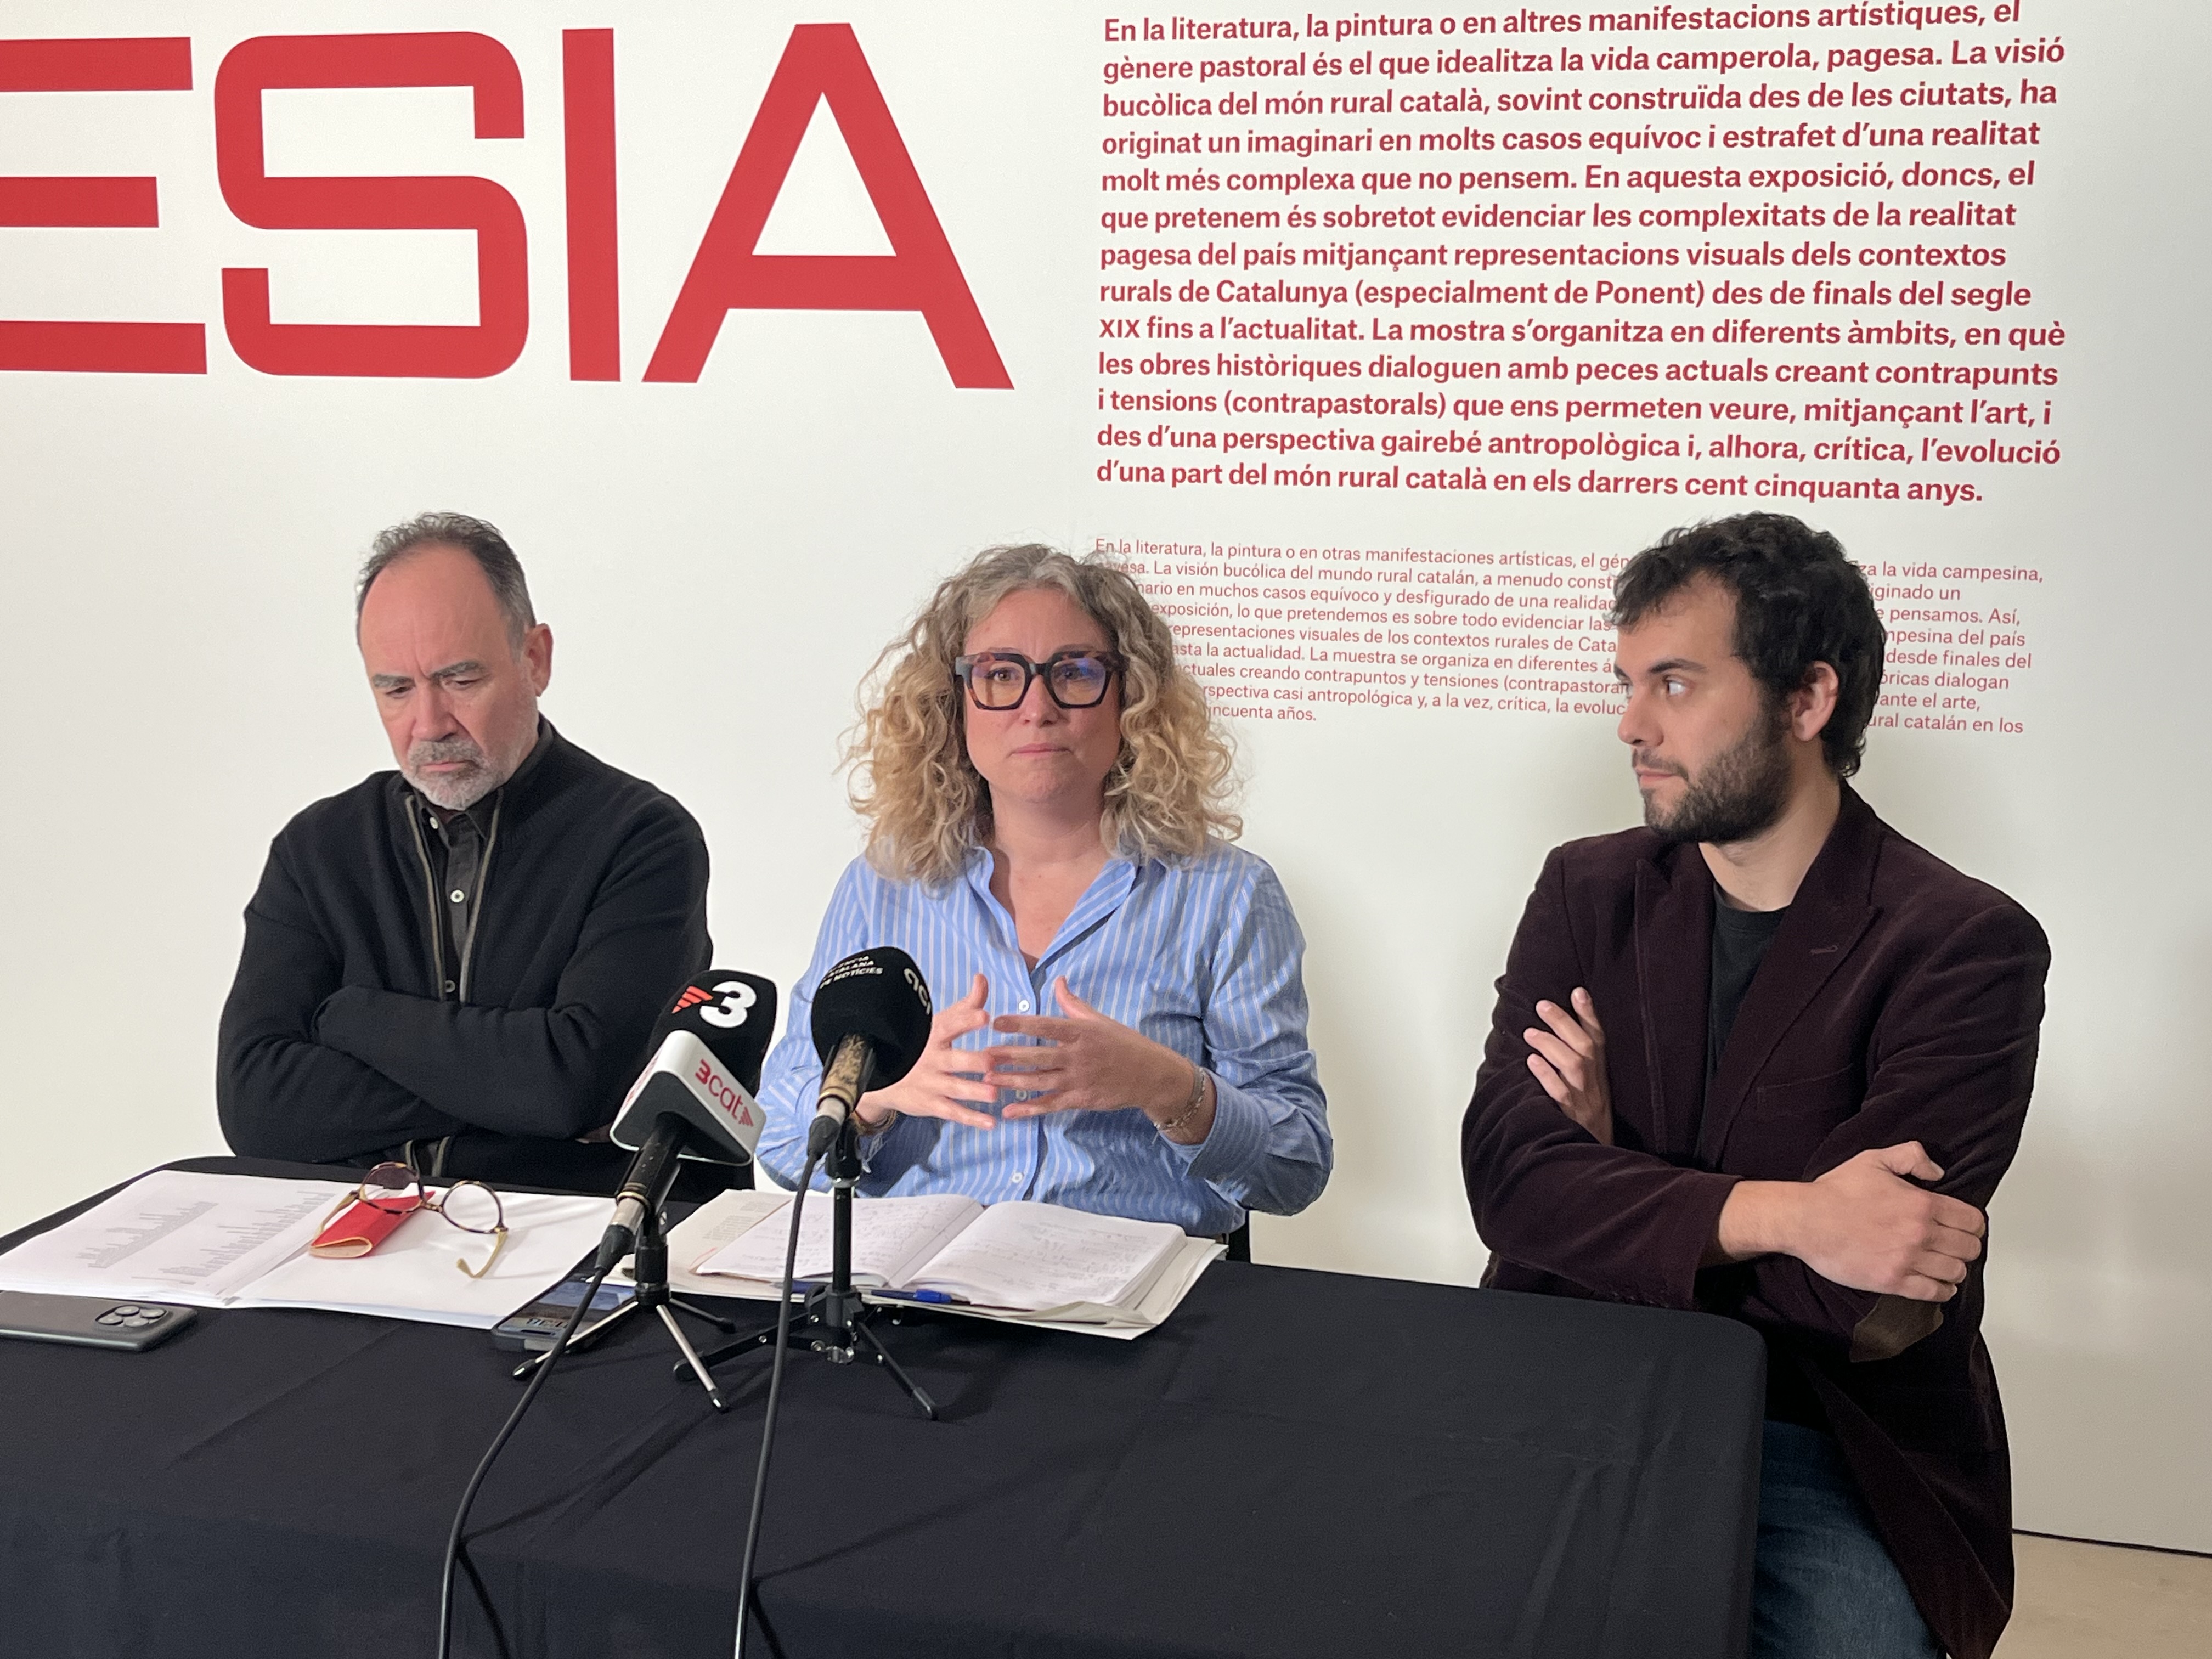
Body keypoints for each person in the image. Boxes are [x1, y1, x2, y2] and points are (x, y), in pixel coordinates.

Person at [1460, 513, 2048, 1659]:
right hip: (1570, 1376)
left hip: (1812, 1422)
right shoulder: (1589, 888)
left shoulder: (1964, 944)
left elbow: (1859, 1297)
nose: (1630, 724)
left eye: (1675, 683)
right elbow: (1510, 1183)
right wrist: (1797, 1214)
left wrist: (1613, 1173)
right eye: (1628, 683)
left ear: (1808, 697)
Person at [753, 544, 1330, 1237]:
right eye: (1000, 675)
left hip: (1132, 1285)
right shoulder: (884, 886)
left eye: (1074, 672)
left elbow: (1296, 1168)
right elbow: (781, 1139)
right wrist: (878, 1097)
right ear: (954, 704)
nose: (1037, 708)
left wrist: (1167, 1086)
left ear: (1130, 698)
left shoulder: (1228, 895)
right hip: (919, 1278)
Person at [217, 512, 714, 1193]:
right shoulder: (316, 850)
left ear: (535, 659)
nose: (429, 724)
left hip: (572, 1236)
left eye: (460, 680)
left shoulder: (644, 839)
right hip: (358, 1235)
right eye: (396, 689)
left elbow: (579, 1084)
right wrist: (512, 1090)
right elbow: (255, 1107)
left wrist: (350, 1016)